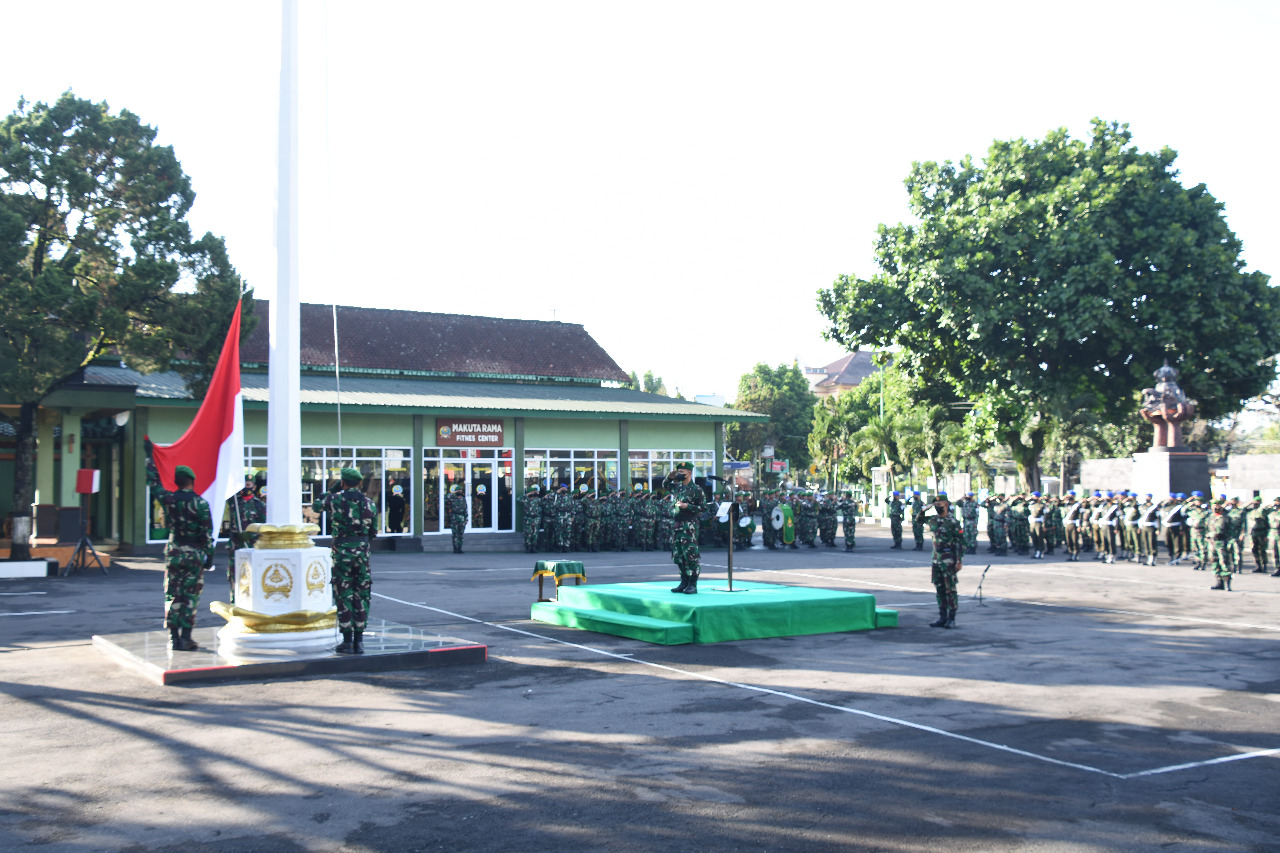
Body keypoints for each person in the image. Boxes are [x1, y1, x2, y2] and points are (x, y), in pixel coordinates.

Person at [145, 440, 214, 652]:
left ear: (176, 481)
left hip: (174, 552)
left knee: (173, 594)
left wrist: (150, 458)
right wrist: (209, 557)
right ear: (192, 481)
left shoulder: (170, 499)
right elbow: (206, 534)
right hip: (193, 554)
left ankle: (173, 638)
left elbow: (154, 484)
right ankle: (186, 637)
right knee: (190, 596)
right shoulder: (201, 503)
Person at [313, 467, 377, 653]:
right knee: (362, 595)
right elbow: (373, 532)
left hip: (341, 554)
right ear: (359, 483)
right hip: (362, 555)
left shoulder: (335, 499)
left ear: (343, 482)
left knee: (344, 595)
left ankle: (347, 640)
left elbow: (317, 505)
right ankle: (359, 641)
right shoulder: (369, 503)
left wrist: (333, 489)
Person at [221, 472, 266, 603]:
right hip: (235, 544)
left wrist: (250, 535)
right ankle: (235, 601)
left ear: (254, 486)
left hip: (252, 546)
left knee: (252, 575)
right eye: (245, 485)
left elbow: (262, 527)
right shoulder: (234, 501)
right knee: (234, 575)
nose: (247, 487)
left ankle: (251, 601)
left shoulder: (259, 505)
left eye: (249, 485)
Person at [662, 461, 705, 594]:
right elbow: (665, 485)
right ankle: (684, 581)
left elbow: (703, 508)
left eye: (682, 472)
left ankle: (693, 583)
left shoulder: (696, 489)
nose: (680, 474)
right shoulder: (678, 488)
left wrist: (688, 507)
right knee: (678, 555)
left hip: (689, 525)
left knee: (690, 555)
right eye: (679, 472)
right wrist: (670, 476)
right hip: (677, 524)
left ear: (690, 473)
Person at [924, 492, 964, 628]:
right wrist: (925, 509)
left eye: (939, 504)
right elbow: (918, 520)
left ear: (946, 505)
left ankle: (952, 617)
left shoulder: (952, 522)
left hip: (948, 559)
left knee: (950, 589)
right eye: (935, 504)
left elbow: (959, 542)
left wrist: (959, 560)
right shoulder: (934, 520)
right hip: (936, 559)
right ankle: (942, 617)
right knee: (939, 588)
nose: (937, 506)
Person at [446, 484, 469, 554]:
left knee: (461, 533)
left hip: (462, 517)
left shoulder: (463, 499)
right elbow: (447, 497)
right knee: (455, 533)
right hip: (454, 517)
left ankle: (460, 548)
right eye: (458, 490)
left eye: (461, 490)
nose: (460, 491)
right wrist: (453, 492)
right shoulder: (453, 498)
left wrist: (466, 519)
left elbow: (465, 509)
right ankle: (455, 548)